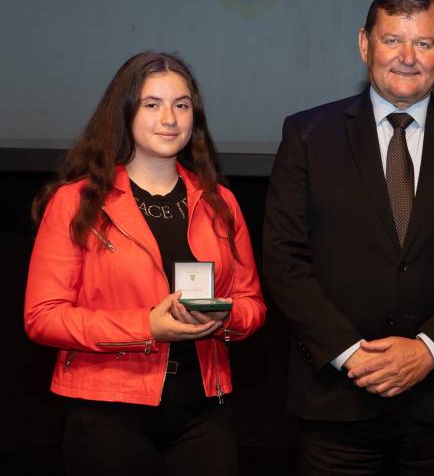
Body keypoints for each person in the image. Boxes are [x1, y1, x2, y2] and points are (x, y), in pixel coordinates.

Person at [263, 0, 434, 475]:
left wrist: (428, 351)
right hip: (336, 400)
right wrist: (350, 355)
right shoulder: (307, 135)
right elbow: (284, 257)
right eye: (392, 39)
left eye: (423, 43)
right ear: (365, 44)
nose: (407, 57)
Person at [24, 51, 266, 475]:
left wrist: (223, 316)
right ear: (125, 113)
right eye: (152, 104)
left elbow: (252, 305)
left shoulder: (220, 202)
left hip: (204, 413)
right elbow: (43, 317)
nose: (169, 118)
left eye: (182, 105)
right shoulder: (76, 202)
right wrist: (146, 327)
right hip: (106, 413)